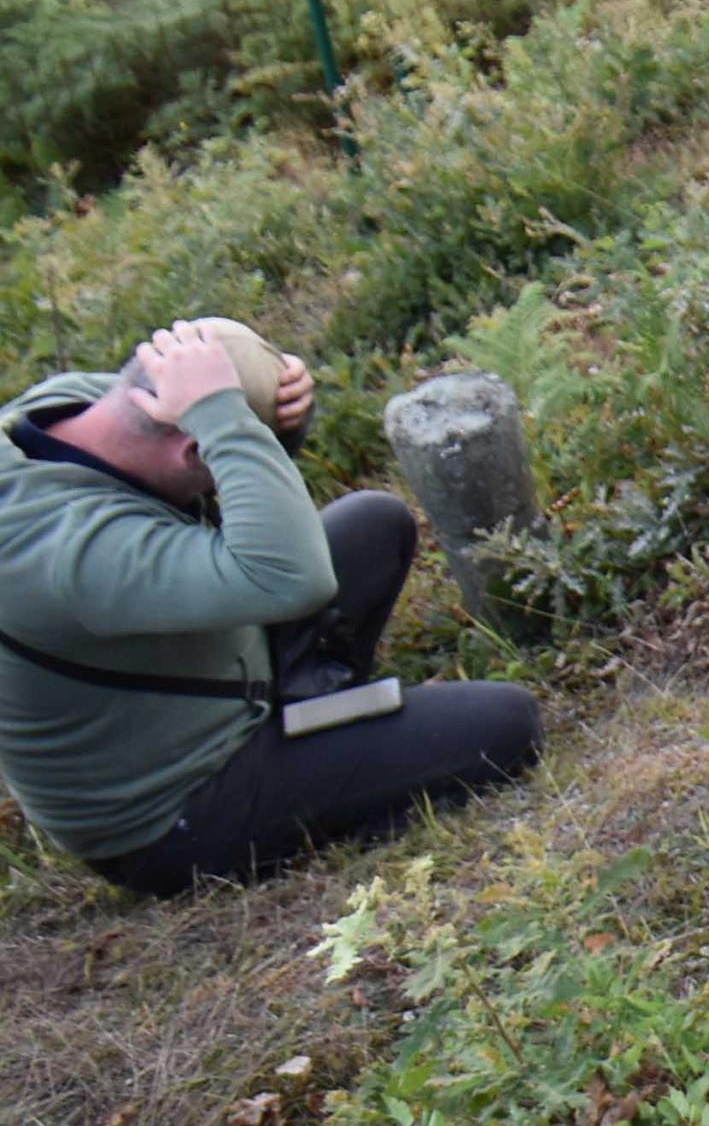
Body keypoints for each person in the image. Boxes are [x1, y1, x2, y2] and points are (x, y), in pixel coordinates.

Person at [1, 319, 541, 896]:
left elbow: (203, 448)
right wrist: (228, 421)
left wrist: (273, 419)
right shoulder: (68, 555)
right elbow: (292, 577)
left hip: (206, 680)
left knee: (374, 523)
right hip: (179, 810)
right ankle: (319, 787)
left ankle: (317, 725)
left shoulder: (62, 409)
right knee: (506, 724)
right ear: (192, 448)